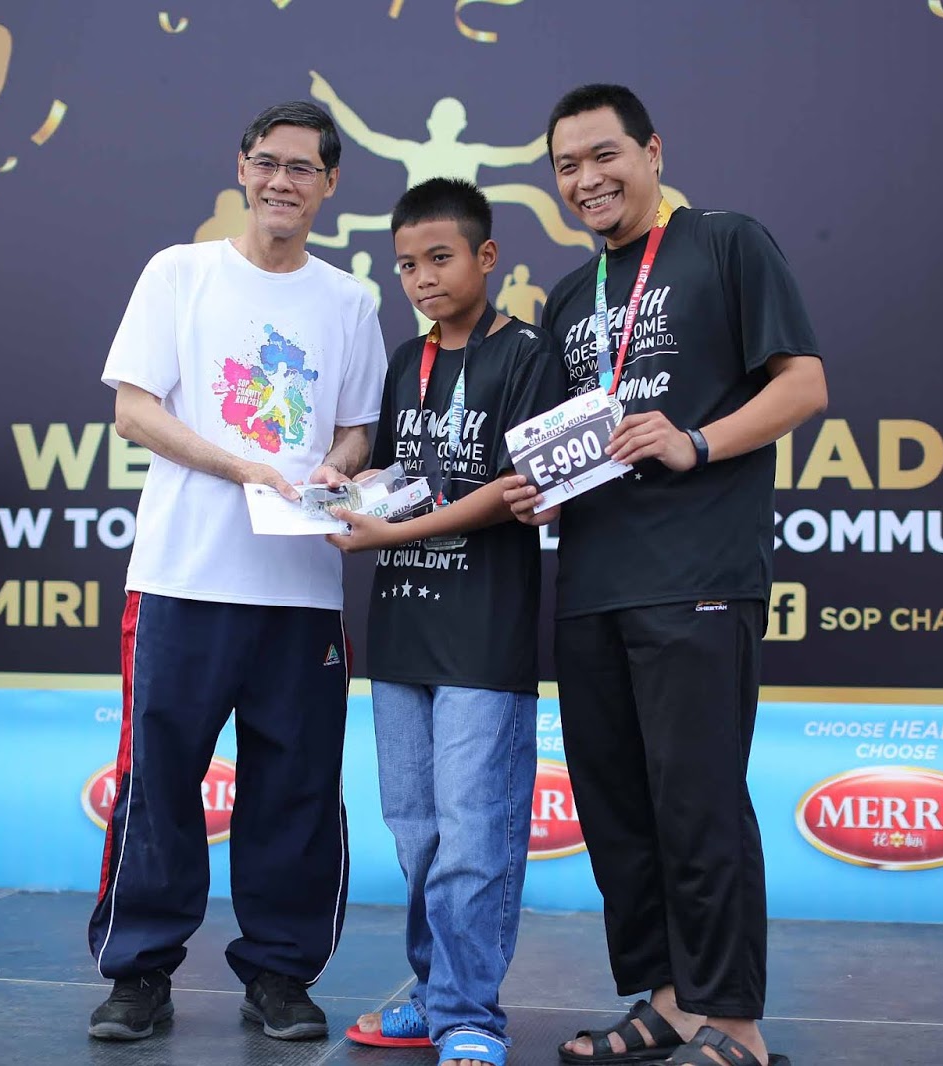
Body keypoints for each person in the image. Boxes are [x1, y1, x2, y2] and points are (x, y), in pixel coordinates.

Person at [504, 85, 828, 1066]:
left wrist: (697, 440)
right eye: (566, 166)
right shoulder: (570, 295)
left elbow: (803, 384)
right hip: (591, 582)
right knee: (617, 807)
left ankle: (736, 1021)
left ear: (652, 151)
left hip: (697, 572)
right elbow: (571, 440)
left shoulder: (726, 244)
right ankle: (669, 999)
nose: (586, 180)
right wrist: (544, 493)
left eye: (603, 155)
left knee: (698, 802)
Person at [88, 100, 387, 1045]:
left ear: (329, 184)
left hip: (300, 589)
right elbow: (135, 411)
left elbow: (357, 428)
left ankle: (280, 974)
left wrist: (333, 467)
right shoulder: (178, 274)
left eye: (302, 168)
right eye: (267, 163)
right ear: (242, 168)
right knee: (159, 780)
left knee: (297, 788)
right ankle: (139, 971)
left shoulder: (350, 302)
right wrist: (243, 467)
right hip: (182, 577)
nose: (281, 182)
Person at [327, 178, 567, 1066]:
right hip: (401, 631)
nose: (422, 279)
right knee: (417, 831)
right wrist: (351, 492)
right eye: (405, 266)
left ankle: (471, 1014)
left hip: (482, 637)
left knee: (473, 833)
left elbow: (511, 491)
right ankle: (433, 999)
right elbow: (400, 477)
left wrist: (389, 531)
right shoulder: (405, 360)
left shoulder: (530, 355)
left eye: (439, 258)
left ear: (486, 257)